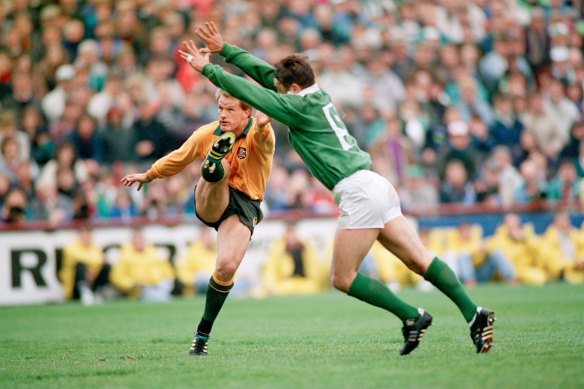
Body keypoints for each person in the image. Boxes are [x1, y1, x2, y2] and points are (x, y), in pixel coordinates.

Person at [179, 22, 495, 355]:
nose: (277, 91)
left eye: (282, 88)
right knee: (418, 260)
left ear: (295, 87)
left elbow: (251, 93)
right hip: (375, 183)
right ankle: (473, 314)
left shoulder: (298, 109)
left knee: (343, 278)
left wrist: (209, 70)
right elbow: (266, 76)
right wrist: (226, 49)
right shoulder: (315, 96)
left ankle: (411, 316)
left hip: (357, 191)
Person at [120, 89, 275, 355]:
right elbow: (180, 157)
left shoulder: (261, 133)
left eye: (229, 110)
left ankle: (202, 334)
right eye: (220, 109)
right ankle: (213, 164)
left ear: (247, 112)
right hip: (212, 198)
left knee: (226, 268)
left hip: (245, 205)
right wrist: (150, 174)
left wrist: (262, 126)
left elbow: (263, 141)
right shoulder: (207, 132)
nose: (222, 115)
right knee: (221, 168)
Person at [59, 226, 110, 305]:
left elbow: (102, 261)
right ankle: (84, 290)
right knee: (80, 265)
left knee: (106, 266)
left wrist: (92, 272)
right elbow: (80, 257)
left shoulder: (95, 248)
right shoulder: (70, 248)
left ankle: (97, 292)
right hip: (73, 286)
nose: (87, 238)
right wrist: (98, 260)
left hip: (92, 280)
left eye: (88, 235)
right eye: (84, 236)